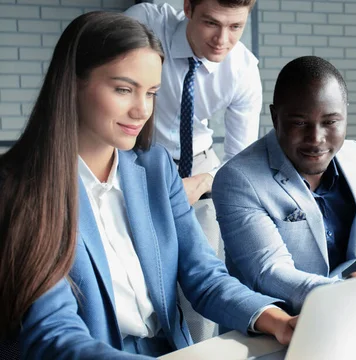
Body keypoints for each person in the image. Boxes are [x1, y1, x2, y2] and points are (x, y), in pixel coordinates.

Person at [0, 12, 294, 359]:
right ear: (73, 83)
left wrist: (275, 319)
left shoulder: (155, 168)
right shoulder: (20, 188)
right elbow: (54, 334)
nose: (142, 110)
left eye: (152, 92)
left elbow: (204, 275)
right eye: (124, 89)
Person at [212, 56, 356, 314]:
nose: (316, 139)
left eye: (331, 122)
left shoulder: (355, 156)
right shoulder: (237, 179)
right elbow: (271, 273)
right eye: (300, 123)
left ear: (345, 115)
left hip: (342, 318)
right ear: (275, 117)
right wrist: (352, 292)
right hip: (267, 335)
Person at [124, 0, 261, 340]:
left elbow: (239, 164)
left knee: (203, 267)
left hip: (201, 166)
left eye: (236, 27)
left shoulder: (242, 69)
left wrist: (200, 183)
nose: (222, 40)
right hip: (136, 154)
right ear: (187, 7)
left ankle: (198, 348)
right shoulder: (145, 23)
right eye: (211, 23)